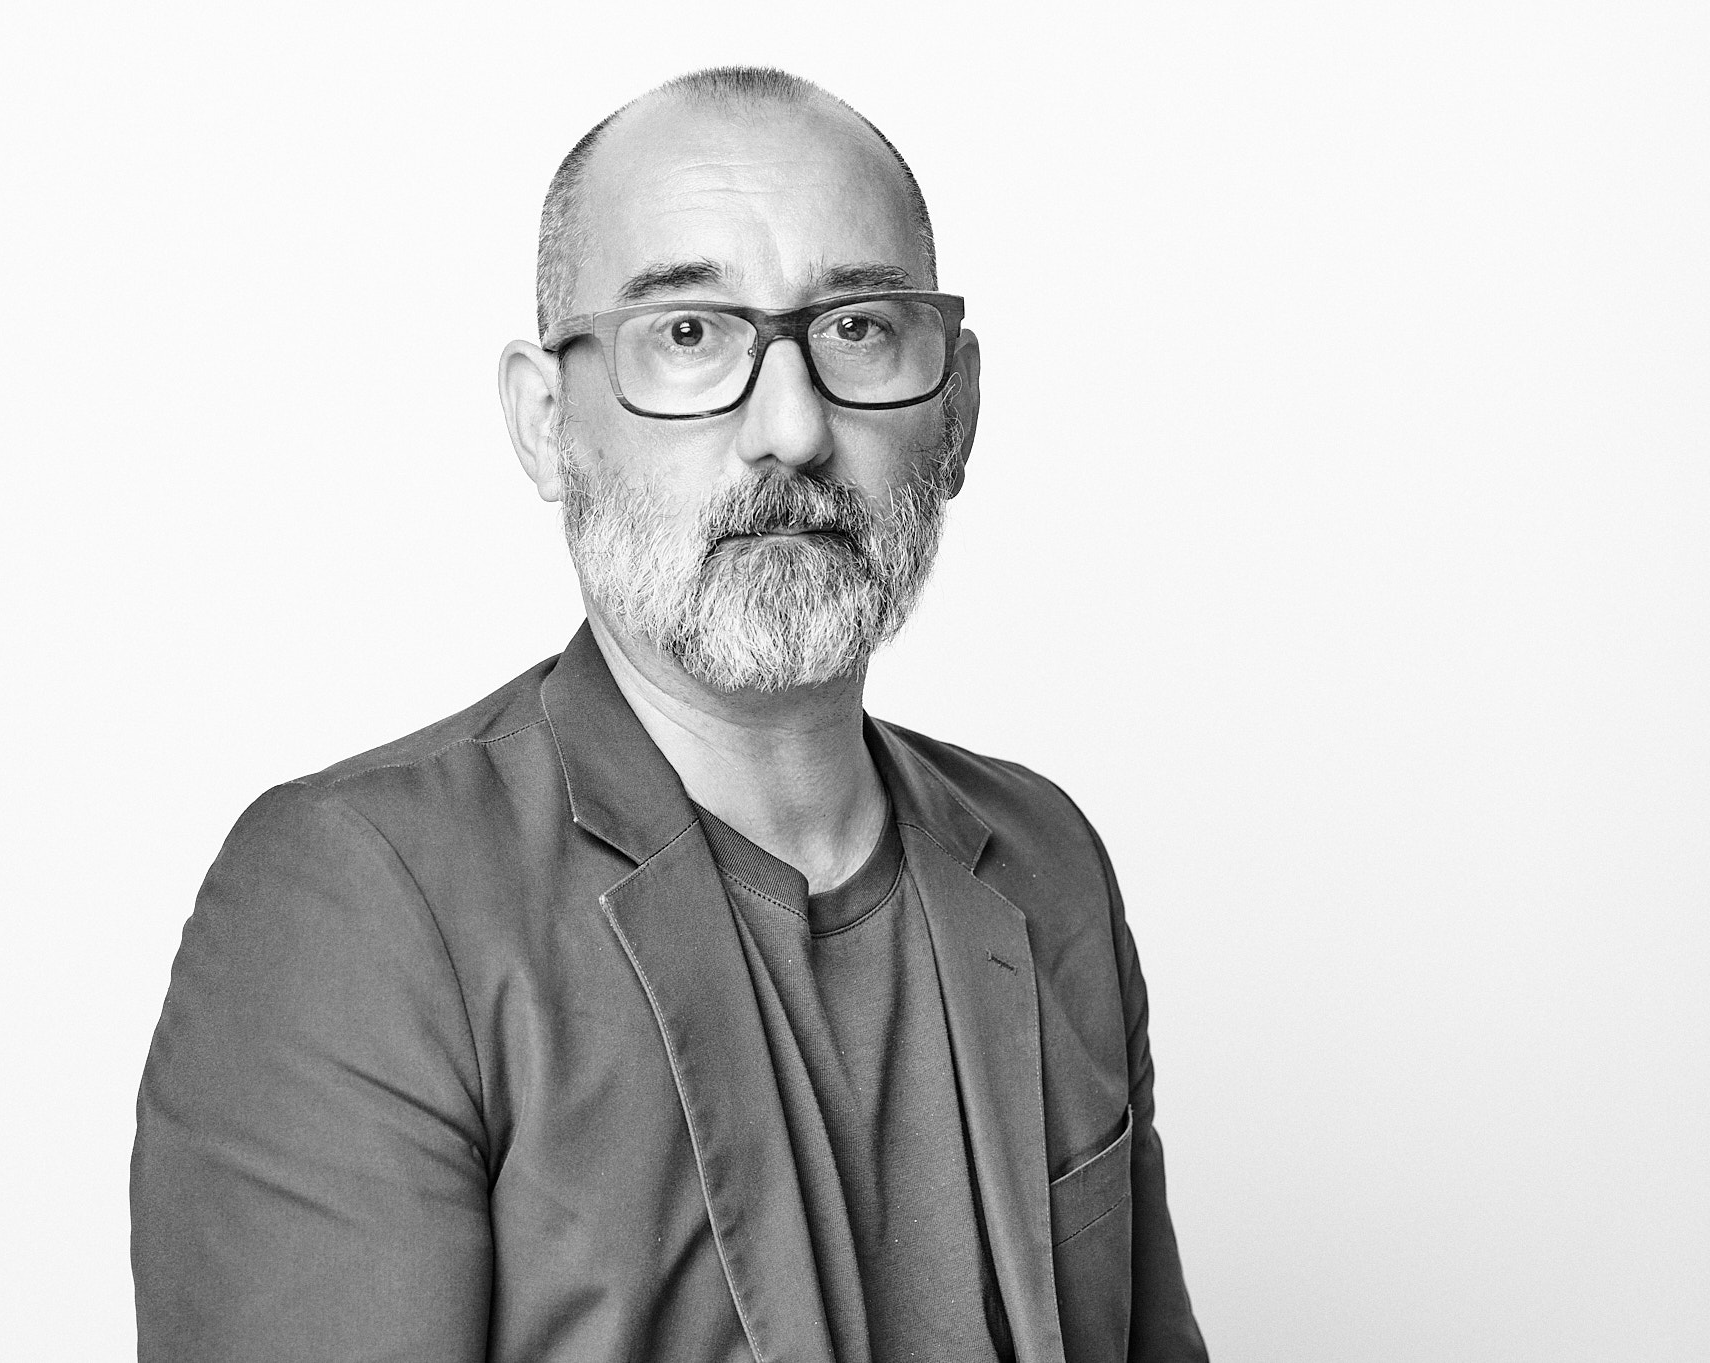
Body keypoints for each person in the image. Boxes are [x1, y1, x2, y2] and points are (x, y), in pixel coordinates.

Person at [132, 65, 1208, 1363]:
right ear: (545, 422)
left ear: (958, 406)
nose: (793, 429)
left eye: (859, 328)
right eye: (690, 335)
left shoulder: (1046, 864)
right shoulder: (363, 901)